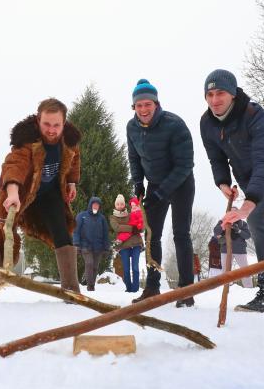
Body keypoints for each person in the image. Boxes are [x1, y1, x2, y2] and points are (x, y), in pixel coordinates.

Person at [200, 69, 264, 313]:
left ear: (233, 94)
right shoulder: (207, 123)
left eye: (221, 93)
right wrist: (222, 183)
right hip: (248, 179)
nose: (215, 100)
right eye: (209, 94)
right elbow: (216, 158)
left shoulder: (255, 116)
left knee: (257, 218)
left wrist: (249, 204)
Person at [0, 98, 81, 303]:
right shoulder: (27, 141)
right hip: (20, 192)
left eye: (56, 125)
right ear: (38, 120)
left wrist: (72, 183)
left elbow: (74, 160)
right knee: (0, 233)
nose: (51, 130)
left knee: (63, 232)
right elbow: (14, 166)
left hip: (49, 195)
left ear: (64, 123)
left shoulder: (69, 139)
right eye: (46, 124)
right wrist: (12, 193)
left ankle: (71, 291)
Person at [126, 79, 196, 307]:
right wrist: (138, 182)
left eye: (148, 104)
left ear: (156, 104)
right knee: (151, 235)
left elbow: (185, 164)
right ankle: (152, 287)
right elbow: (134, 157)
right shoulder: (132, 127)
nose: (144, 109)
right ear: (134, 107)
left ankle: (186, 290)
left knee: (181, 234)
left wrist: (161, 193)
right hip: (155, 183)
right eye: (139, 105)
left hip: (181, 183)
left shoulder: (174, 124)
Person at [73, 196, 110, 291]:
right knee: (89, 263)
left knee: (95, 267)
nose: (95, 206)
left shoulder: (102, 218)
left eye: (97, 205)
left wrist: (106, 248)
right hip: (85, 246)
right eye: (94, 204)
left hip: (98, 248)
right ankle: (90, 286)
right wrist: (76, 244)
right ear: (90, 205)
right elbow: (76, 231)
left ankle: (92, 284)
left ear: (99, 207)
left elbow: (106, 234)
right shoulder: (82, 216)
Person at [110, 194, 143, 292]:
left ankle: (135, 289)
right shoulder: (113, 218)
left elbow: (140, 227)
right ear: (115, 205)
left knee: (135, 267)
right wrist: (132, 228)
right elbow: (117, 228)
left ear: (124, 205)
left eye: (122, 204)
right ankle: (128, 289)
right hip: (124, 245)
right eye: (118, 204)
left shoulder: (130, 214)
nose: (120, 206)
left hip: (136, 243)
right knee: (126, 269)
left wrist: (139, 226)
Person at [212, 219, 254, 288]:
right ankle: (226, 286)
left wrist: (238, 230)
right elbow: (216, 233)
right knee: (225, 270)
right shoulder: (222, 222)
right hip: (225, 250)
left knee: (245, 269)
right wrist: (222, 227)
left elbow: (247, 236)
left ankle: (248, 288)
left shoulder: (242, 223)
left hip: (240, 250)